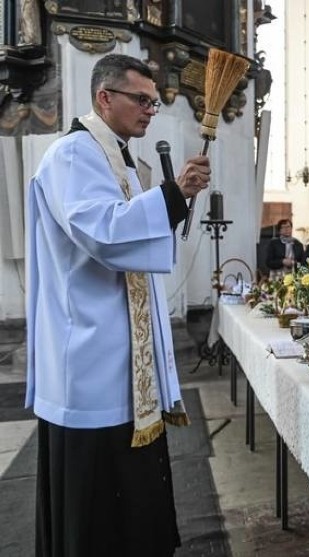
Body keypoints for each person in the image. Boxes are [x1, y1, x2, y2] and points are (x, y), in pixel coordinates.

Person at [25, 54, 211, 556]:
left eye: (154, 100)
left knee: (129, 502)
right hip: (90, 357)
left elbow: (135, 238)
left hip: (123, 357)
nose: (152, 109)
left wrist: (174, 196)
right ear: (105, 98)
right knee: (96, 511)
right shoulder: (72, 156)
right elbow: (104, 232)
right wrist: (172, 196)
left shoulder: (117, 156)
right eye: (142, 100)